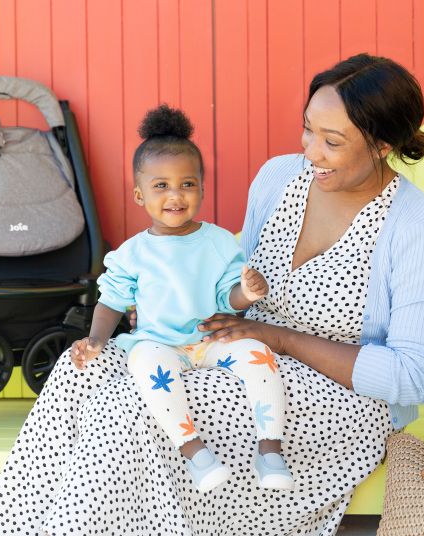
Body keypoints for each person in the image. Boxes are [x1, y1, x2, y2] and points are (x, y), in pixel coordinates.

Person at [0, 53, 424, 536]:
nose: (311, 151)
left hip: (335, 397)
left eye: (332, 141)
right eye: (308, 129)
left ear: (382, 144)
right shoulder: (278, 178)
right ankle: (35, 526)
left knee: (138, 404)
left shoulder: (413, 226)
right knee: (82, 371)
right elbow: (231, 281)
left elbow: (413, 378)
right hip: (236, 346)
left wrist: (280, 339)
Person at [70, 104, 293, 493]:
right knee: (145, 363)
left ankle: (270, 448)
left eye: (187, 184)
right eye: (161, 186)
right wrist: (96, 340)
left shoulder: (220, 242)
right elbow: (112, 301)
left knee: (259, 355)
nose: (176, 195)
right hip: (160, 344)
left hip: (211, 342)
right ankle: (194, 453)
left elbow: (231, 296)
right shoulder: (132, 253)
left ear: (202, 189)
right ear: (139, 195)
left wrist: (249, 291)